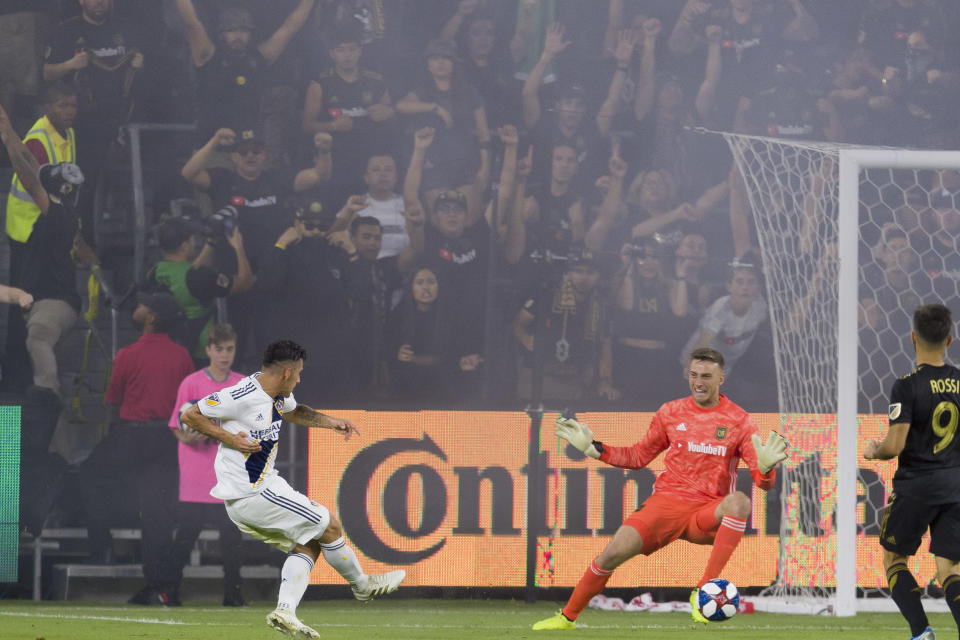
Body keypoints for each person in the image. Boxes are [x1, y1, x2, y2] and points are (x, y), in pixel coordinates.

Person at [532, 347, 788, 630]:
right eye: (693, 375)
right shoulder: (671, 412)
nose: (698, 382)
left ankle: (703, 591)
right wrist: (595, 450)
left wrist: (766, 470)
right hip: (665, 503)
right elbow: (638, 457)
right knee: (612, 553)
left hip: (705, 513)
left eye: (706, 376)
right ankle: (566, 617)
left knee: (739, 501)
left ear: (721, 379)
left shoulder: (740, 421)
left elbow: (763, 484)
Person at [180, 339, 406, 638]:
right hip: (254, 493)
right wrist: (230, 438)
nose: (300, 378)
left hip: (258, 490)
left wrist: (331, 422)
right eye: (298, 373)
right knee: (330, 525)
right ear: (286, 372)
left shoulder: (275, 393)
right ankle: (362, 586)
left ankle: (285, 611)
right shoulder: (241, 394)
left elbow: (295, 411)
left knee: (310, 543)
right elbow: (190, 415)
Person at [82, 292, 195, 603]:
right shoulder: (181, 355)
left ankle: (101, 546)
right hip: (166, 439)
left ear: (151, 317)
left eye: (144, 305)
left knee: (88, 477)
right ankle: (161, 585)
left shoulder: (128, 354)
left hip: (131, 437)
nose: (137, 307)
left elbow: (113, 400)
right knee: (158, 513)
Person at [864, 303, 960, 640]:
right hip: (955, 487)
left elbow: (895, 445)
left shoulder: (906, 386)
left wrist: (874, 449)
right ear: (950, 339)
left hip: (916, 487)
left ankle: (921, 632)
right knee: (950, 568)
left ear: (912, 338)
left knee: (894, 559)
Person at [168, 323, 246, 606]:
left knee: (232, 541)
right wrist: (188, 437)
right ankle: (170, 591)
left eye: (230, 349)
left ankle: (233, 595)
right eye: (220, 349)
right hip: (196, 476)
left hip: (228, 477)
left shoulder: (242, 385)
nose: (225, 355)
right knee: (186, 538)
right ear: (209, 350)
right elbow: (176, 426)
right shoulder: (191, 383)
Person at [173, 0, 316, 143]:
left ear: (250, 33)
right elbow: (192, 23)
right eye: (232, 30)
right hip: (211, 143)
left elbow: (289, 29)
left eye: (243, 30)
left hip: (248, 147)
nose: (238, 36)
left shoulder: (259, 58)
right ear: (222, 33)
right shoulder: (208, 55)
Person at [143, 216, 252, 364]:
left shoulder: (154, 272)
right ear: (184, 246)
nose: (194, 242)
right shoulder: (199, 277)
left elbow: (191, 271)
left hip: (166, 351)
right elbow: (245, 282)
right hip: (198, 355)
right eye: (191, 239)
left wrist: (211, 243)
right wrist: (239, 247)